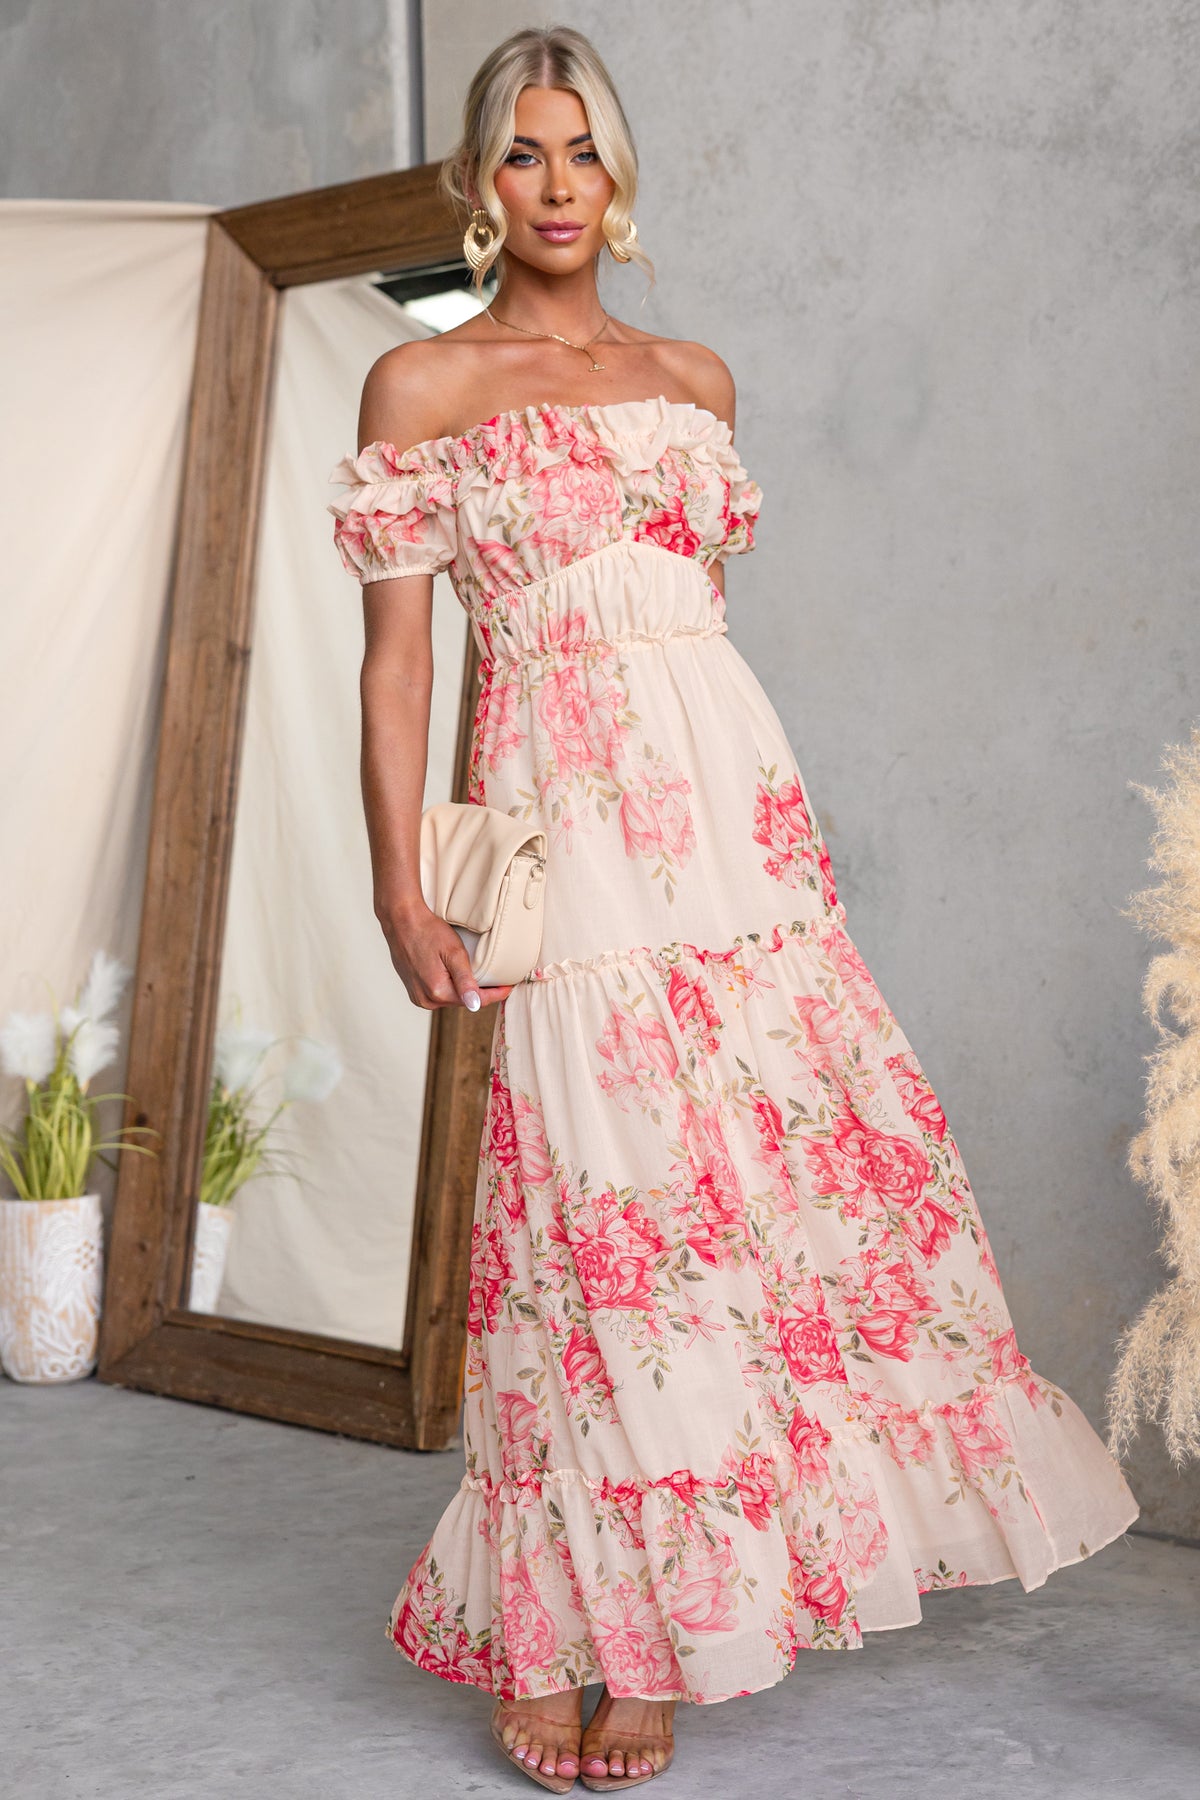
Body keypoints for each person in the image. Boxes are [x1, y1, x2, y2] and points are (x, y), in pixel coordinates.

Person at [328, 24, 1140, 1795]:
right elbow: (401, 665)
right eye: (524, 153)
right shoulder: (423, 388)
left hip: (735, 839)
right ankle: (583, 1618)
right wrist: (396, 876)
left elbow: (687, 640)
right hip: (566, 829)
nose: (557, 186)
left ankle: (673, 1625)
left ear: (621, 174)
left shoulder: (696, 381)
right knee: (600, 1211)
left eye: (584, 151)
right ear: (478, 183)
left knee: (748, 1194)